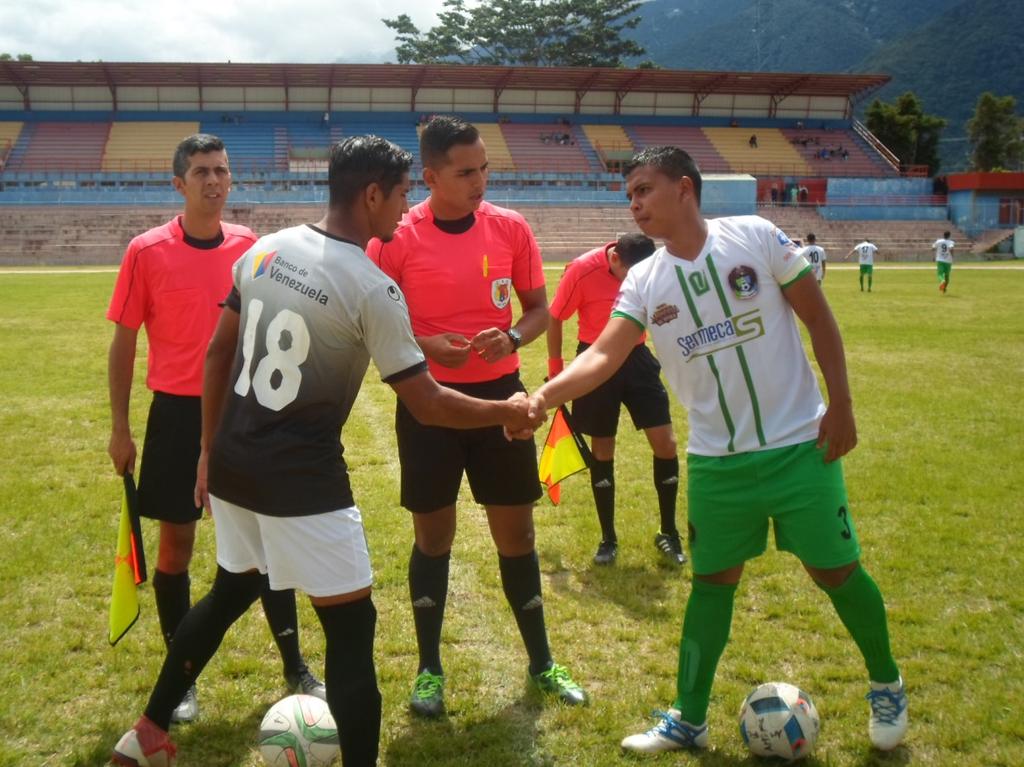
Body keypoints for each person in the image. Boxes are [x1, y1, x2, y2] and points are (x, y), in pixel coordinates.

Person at [111, 135, 547, 767]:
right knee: (351, 630)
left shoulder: (266, 249)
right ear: (372, 194)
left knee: (232, 590)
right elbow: (427, 403)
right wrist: (505, 412)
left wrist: (209, 452)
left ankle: (147, 733)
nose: (406, 208)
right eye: (400, 195)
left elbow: (216, 355)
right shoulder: (370, 286)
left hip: (234, 463)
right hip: (302, 480)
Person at [524, 146, 908, 755]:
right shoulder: (646, 279)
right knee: (711, 583)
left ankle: (887, 684)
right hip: (715, 462)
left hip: (797, 448)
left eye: (644, 190)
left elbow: (819, 317)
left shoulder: (755, 236)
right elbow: (602, 355)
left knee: (835, 571)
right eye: (629, 195)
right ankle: (689, 718)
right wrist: (543, 395)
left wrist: (842, 404)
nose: (635, 204)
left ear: (684, 188)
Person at [367, 115, 587, 719]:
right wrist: (422, 344)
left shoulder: (510, 228)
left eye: (485, 167)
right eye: (466, 172)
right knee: (433, 538)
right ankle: (429, 669)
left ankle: (542, 662)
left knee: (516, 536)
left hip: (503, 405)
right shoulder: (394, 239)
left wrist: (513, 335)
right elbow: (373, 321)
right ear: (431, 175)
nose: (480, 181)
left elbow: (539, 309)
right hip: (429, 408)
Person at [106, 133, 324, 725]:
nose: (213, 181)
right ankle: (182, 679)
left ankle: (295, 665)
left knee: (267, 544)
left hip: (243, 410)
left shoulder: (250, 247)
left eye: (221, 171)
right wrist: (121, 428)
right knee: (176, 546)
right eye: (201, 171)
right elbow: (124, 341)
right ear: (178, 184)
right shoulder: (145, 251)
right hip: (176, 414)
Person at [547, 233, 683, 567]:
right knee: (602, 448)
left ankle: (669, 532)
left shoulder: (651, 269)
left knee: (665, 443)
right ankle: (608, 538)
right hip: (594, 359)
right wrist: (556, 370)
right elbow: (554, 317)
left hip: (636, 357)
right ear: (614, 260)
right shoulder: (581, 271)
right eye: (630, 274)